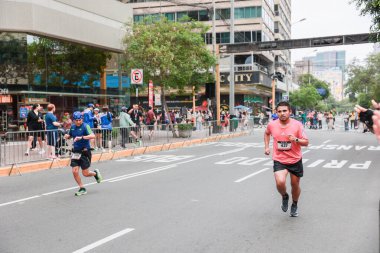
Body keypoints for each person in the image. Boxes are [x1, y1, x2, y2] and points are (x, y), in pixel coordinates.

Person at [264, 101, 309, 217]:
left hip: (295, 159)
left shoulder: (297, 125)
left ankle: (294, 204)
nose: (282, 113)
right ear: (276, 113)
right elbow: (267, 133)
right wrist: (267, 147)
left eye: (284, 111)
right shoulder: (272, 125)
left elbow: (306, 142)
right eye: (279, 111)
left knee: (295, 185)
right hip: (279, 159)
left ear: (290, 112)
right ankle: (284, 196)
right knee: (280, 182)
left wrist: (296, 140)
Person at [64, 111, 102, 196]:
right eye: (76, 120)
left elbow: (93, 136)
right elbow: (70, 135)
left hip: (85, 151)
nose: (78, 122)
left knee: (85, 173)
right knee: (74, 171)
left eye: (80, 120)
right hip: (76, 152)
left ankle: (95, 173)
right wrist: (67, 136)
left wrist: (82, 137)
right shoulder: (73, 127)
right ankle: (82, 188)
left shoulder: (85, 126)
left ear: (82, 119)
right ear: (74, 120)